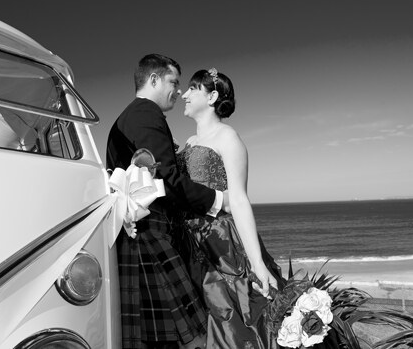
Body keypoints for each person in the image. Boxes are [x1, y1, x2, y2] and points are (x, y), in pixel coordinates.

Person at [106, 54, 230, 349]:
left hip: (139, 234)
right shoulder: (145, 114)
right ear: (153, 80)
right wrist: (219, 200)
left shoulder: (129, 116)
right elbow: (168, 180)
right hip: (148, 236)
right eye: (173, 82)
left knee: (156, 337)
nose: (178, 90)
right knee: (191, 337)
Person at [176, 68, 285, 349]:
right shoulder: (189, 143)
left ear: (212, 96)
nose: (184, 94)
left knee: (229, 321)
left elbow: (238, 200)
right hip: (189, 242)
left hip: (221, 245)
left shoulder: (228, 138)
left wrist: (258, 263)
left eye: (192, 88)